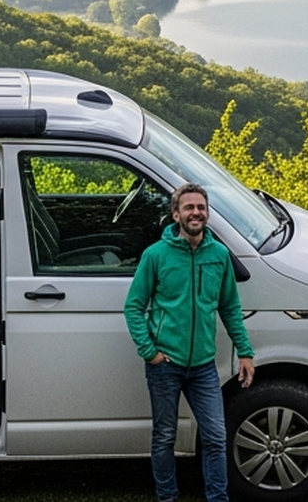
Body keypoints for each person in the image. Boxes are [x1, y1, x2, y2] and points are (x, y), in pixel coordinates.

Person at [124, 183, 256, 502]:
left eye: (200, 207)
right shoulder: (156, 255)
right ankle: (167, 497)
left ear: (207, 213)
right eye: (189, 207)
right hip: (164, 365)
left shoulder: (220, 255)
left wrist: (245, 353)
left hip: (203, 367)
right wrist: (150, 352)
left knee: (215, 437)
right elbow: (133, 306)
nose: (195, 212)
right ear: (175, 214)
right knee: (165, 437)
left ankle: (218, 499)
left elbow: (229, 307)